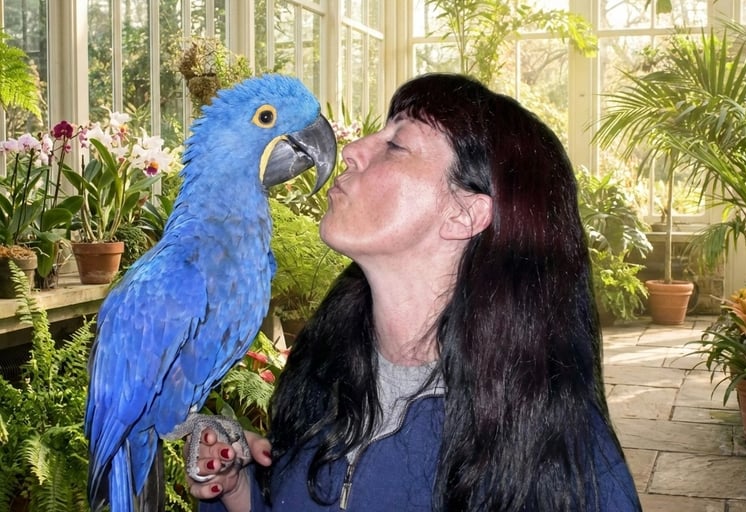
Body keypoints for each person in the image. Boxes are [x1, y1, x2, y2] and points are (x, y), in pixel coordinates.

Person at [186, 73, 642, 511]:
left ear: (465, 214)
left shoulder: (559, 456)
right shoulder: (323, 370)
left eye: (396, 145)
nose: (352, 150)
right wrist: (239, 490)